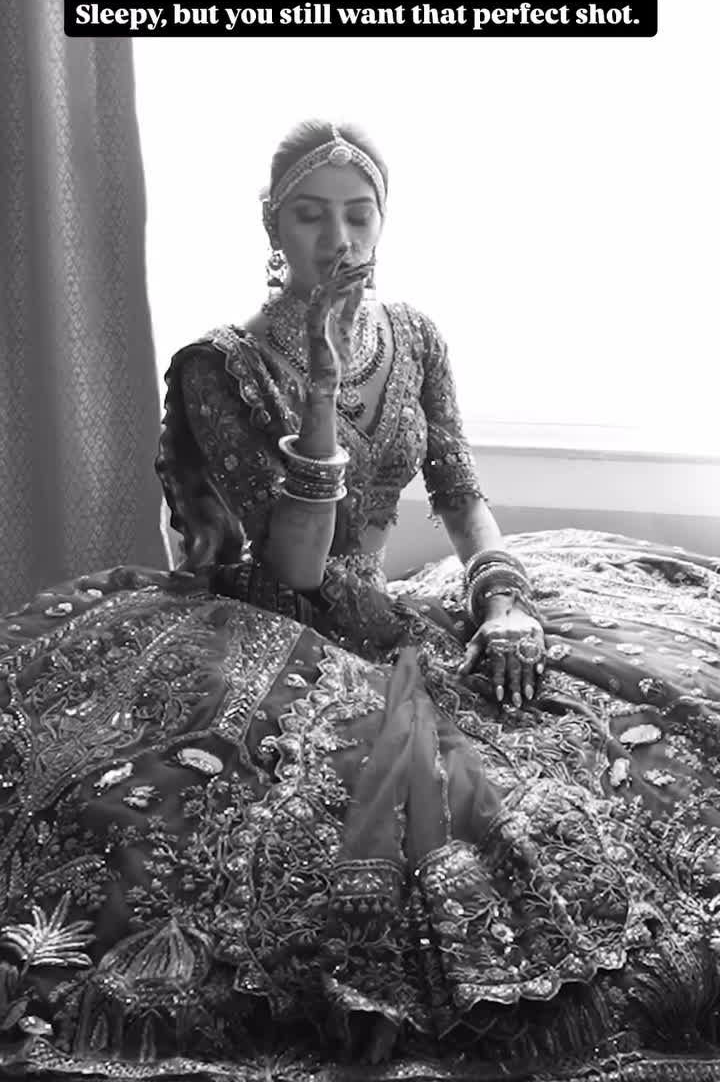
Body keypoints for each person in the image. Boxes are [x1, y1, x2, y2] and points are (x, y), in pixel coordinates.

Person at [1, 121, 720, 1082]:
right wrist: (322, 387)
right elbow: (298, 568)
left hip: (389, 613)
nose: (337, 240)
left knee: (637, 722)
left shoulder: (414, 335)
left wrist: (501, 595)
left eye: (358, 215)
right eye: (310, 216)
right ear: (271, 224)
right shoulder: (218, 366)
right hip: (267, 621)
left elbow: (460, 493)